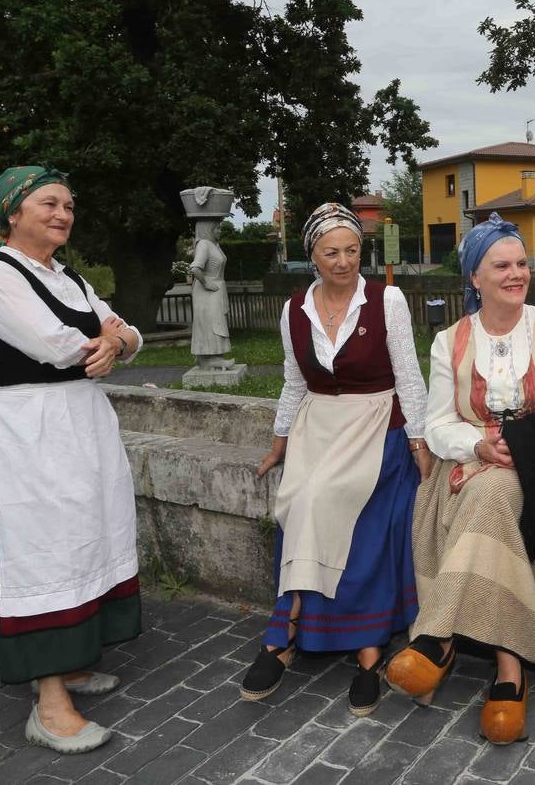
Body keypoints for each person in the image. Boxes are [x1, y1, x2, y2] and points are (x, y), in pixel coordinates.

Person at [384, 212, 535, 746]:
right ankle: (510, 671)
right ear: (474, 279)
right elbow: (438, 425)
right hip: (473, 458)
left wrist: (531, 446)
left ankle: (437, 638)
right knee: (489, 486)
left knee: (494, 491)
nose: (516, 274)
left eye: (522, 263)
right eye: (501, 265)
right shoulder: (449, 341)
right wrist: (480, 445)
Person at [0, 165, 143, 754]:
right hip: (26, 429)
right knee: (45, 550)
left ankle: (74, 661)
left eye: (69, 205)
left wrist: (115, 339)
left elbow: (128, 334)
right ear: (12, 213)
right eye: (48, 204)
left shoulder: (69, 277)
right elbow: (56, 346)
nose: (63, 214)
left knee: (88, 536)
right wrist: (107, 339)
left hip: (80, 424)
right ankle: (49, 703)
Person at [239, 203, 430, 716]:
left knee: (336, 498)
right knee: (299, 498)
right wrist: (280, 441)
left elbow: (409, 376)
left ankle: (365, 649)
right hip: (319, 426)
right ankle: (288, 628)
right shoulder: (294, 309)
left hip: (376, 426)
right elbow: (294, 381)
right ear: (313, 257)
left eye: (351, 250)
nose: (344, 262)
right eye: (332, 253)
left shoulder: (387, 301)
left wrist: (418, 443)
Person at [188, 218, 234, 368]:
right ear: (208, 230)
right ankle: (209, 358)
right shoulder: (204, 245)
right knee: (210, 324)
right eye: (217, 228)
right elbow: (195, 268)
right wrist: (206, 283)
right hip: (207, 292)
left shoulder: (214, 245)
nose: (220, 231)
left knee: (215, 323)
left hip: (215, 290)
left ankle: (213, 357)